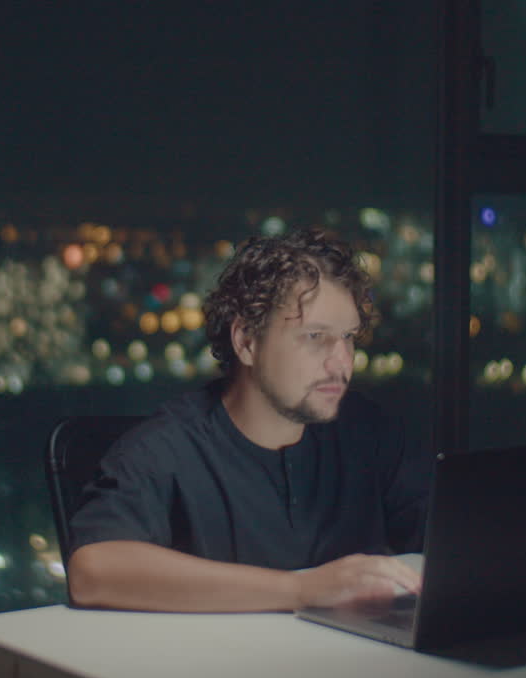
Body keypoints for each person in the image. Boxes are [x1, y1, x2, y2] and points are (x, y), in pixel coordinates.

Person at [67, 227, 429, 612]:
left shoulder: (368, 432)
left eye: (349, 337)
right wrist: (302, 590)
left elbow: (449, 536)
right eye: (315, 337)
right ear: (246, 342)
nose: (341, 362)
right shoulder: (165, 448)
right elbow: (91, 571)